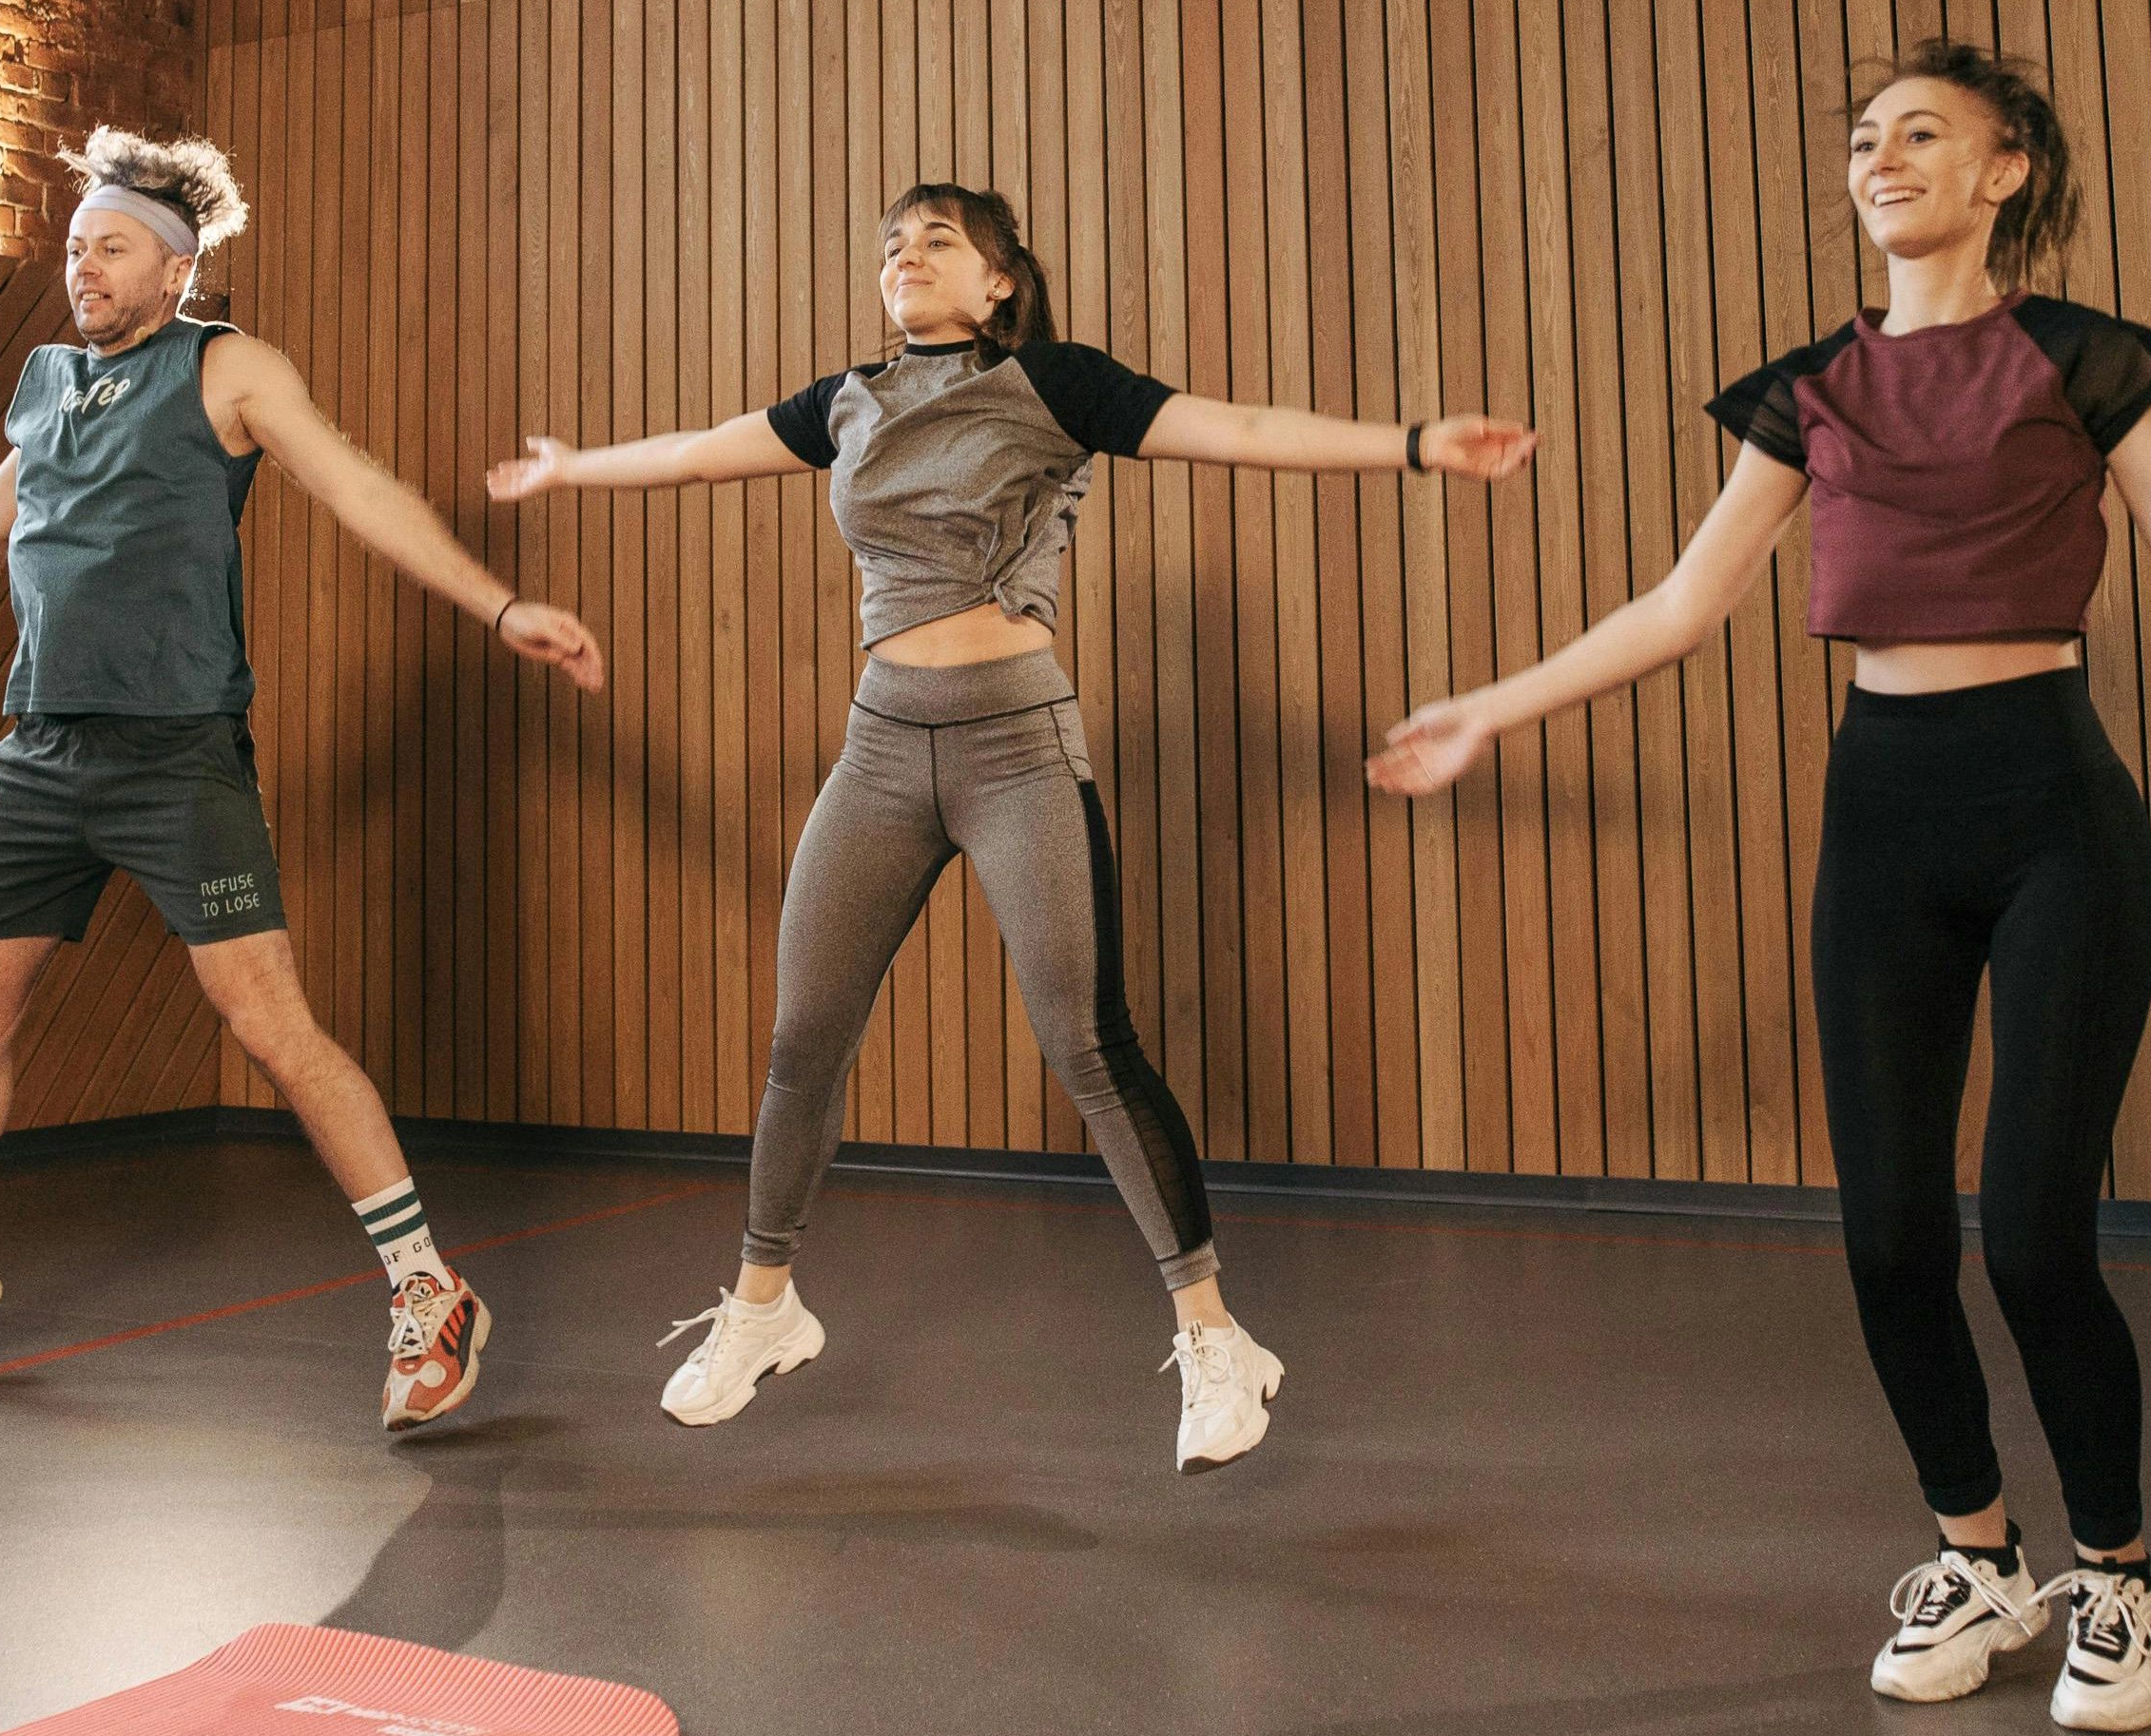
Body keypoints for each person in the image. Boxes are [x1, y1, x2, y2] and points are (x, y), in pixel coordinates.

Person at [1369, 38, 2151, 1729]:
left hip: (2050, 805)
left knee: (2035, 1237)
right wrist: (1487, 703)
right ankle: (1978, 1553)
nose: (1880, 154)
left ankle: (2117, 1581)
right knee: (1885, 1236)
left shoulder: (2083, 357)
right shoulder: (1806, 388)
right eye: (1860, 136)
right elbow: (1677, 606)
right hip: (1882, 812)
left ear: (2002, 172)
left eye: (1921, 131)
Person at [493, 182, 1534, 1472]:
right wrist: (569, 467)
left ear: (997, 282)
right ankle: (763, 1308)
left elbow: (1238, 427)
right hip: (878, 749)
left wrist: (1416, 443)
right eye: (889, 244)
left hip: (1012, 748)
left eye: (937, 239)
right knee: (801, 1037)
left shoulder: (1055, 383)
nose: (904, 257)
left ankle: (1215, 1338)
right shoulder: (847, 402)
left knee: (1087, 1045)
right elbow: (702, 448)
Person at [0, 126, 607, 1431]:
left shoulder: (223, 368)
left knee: (270, 1028)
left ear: (175, 266)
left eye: (111, 247)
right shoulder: (44, 380)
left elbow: (356, 486)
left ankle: (428, 1292)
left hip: (172, 754)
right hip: (37, 754)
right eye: (74, 247)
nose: (83, 267)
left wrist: (497, 603)